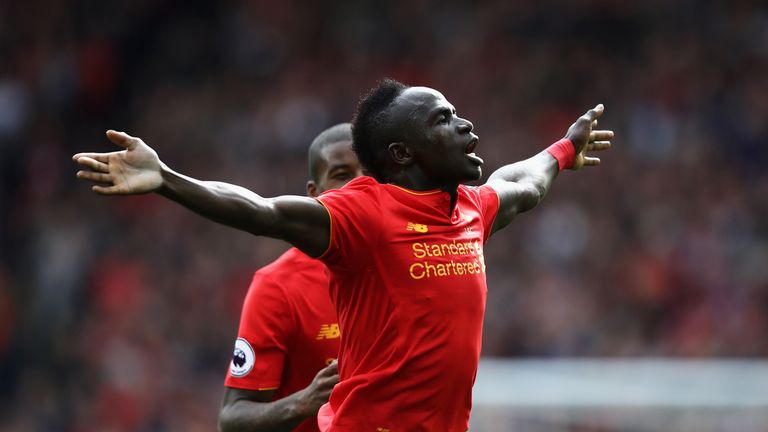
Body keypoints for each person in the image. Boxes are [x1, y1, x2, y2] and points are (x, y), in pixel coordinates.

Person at [73, 79, 613, 432]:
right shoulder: (365, 214)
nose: (465, 126)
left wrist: (563, 150)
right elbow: (262, 212)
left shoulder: (471, 208)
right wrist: (166, 179)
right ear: (403, 153)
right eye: (444, 120)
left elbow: (523, 182)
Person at [219, 123, 363, 432]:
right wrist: (303, 402)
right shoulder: (278, 286)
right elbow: (231, 419)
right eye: (342, 174)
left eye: (371, 173)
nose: (360, 185)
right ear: (314, 194)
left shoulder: (412, 263)